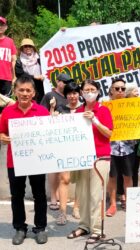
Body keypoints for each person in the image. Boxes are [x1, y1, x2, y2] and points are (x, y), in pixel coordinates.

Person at [0, 75, 49, 245]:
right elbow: (1, 132)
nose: (25, 93)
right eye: (21, 90)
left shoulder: (43, 112)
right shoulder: (7, 112)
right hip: (15, 161)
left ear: (34, 93)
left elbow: (50, 136)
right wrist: (3, 137)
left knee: (40, 195)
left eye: (28, 90)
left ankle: (41, 228)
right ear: (15, 92)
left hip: (37, 161)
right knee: (17, 195)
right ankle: (20, 228)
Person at [67, 79, 113, 243]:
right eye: (86, 90)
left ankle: (97, 229)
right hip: (82, 158)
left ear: (98, 91)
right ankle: (84, 225)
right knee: (83, 194)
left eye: (92, 89)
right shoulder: (77, 111)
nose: (89, 92)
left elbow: (109, 134)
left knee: (96, 195)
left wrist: (95, 120)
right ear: (81, 93)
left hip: (100, 158)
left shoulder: (104, 110)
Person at [50, 82, 82, 224]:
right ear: (66, 95)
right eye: (69, 93)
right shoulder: (61, 109)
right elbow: (51, 127)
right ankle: (62, 212)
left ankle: (76, 207)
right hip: (64, 150)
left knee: (80, 180)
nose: (72, 96)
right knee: (64, 179)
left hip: (82, 149)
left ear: (79, 94)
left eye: (75, 93)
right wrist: (53, 116)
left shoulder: (84, 109)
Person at [41, 73, 72, 211]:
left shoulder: (71, 96)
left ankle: (62, 195)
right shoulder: (49, 96)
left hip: (67, 139)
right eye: (64, 82)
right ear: (58, 82)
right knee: (53, 170)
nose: (65, 84)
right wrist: (51, 111)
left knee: (64, 171)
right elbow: (41, 116)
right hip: (52, 139)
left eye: (68, 82)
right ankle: (53, 198)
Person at [106, 79, 137, 216]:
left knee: (128, 176)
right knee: (112, 176)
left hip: (128, 147)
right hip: (110, 147)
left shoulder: (133, 106)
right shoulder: (105, 107)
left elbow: (138, 125)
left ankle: (129, 201)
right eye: (117, 88)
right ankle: (113, 204)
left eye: (123, 89)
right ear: (111, 90)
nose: (120, 91)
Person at [15, 38, 45, 103]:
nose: (28, 48)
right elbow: (20, 75)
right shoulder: (19, 61)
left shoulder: (40, 58)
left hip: (40, 87)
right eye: (25, 46)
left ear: (33, 48)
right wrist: (34, 77)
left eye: (30, 46)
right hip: (26, 87)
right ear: (22, 48)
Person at [0, 16, 16, 106]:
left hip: (6, 78)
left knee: (7, 103)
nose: (0, 27)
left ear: (6, 27)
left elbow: (13, 60)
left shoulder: (10, 41)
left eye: (2, 24)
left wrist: (14, 77)